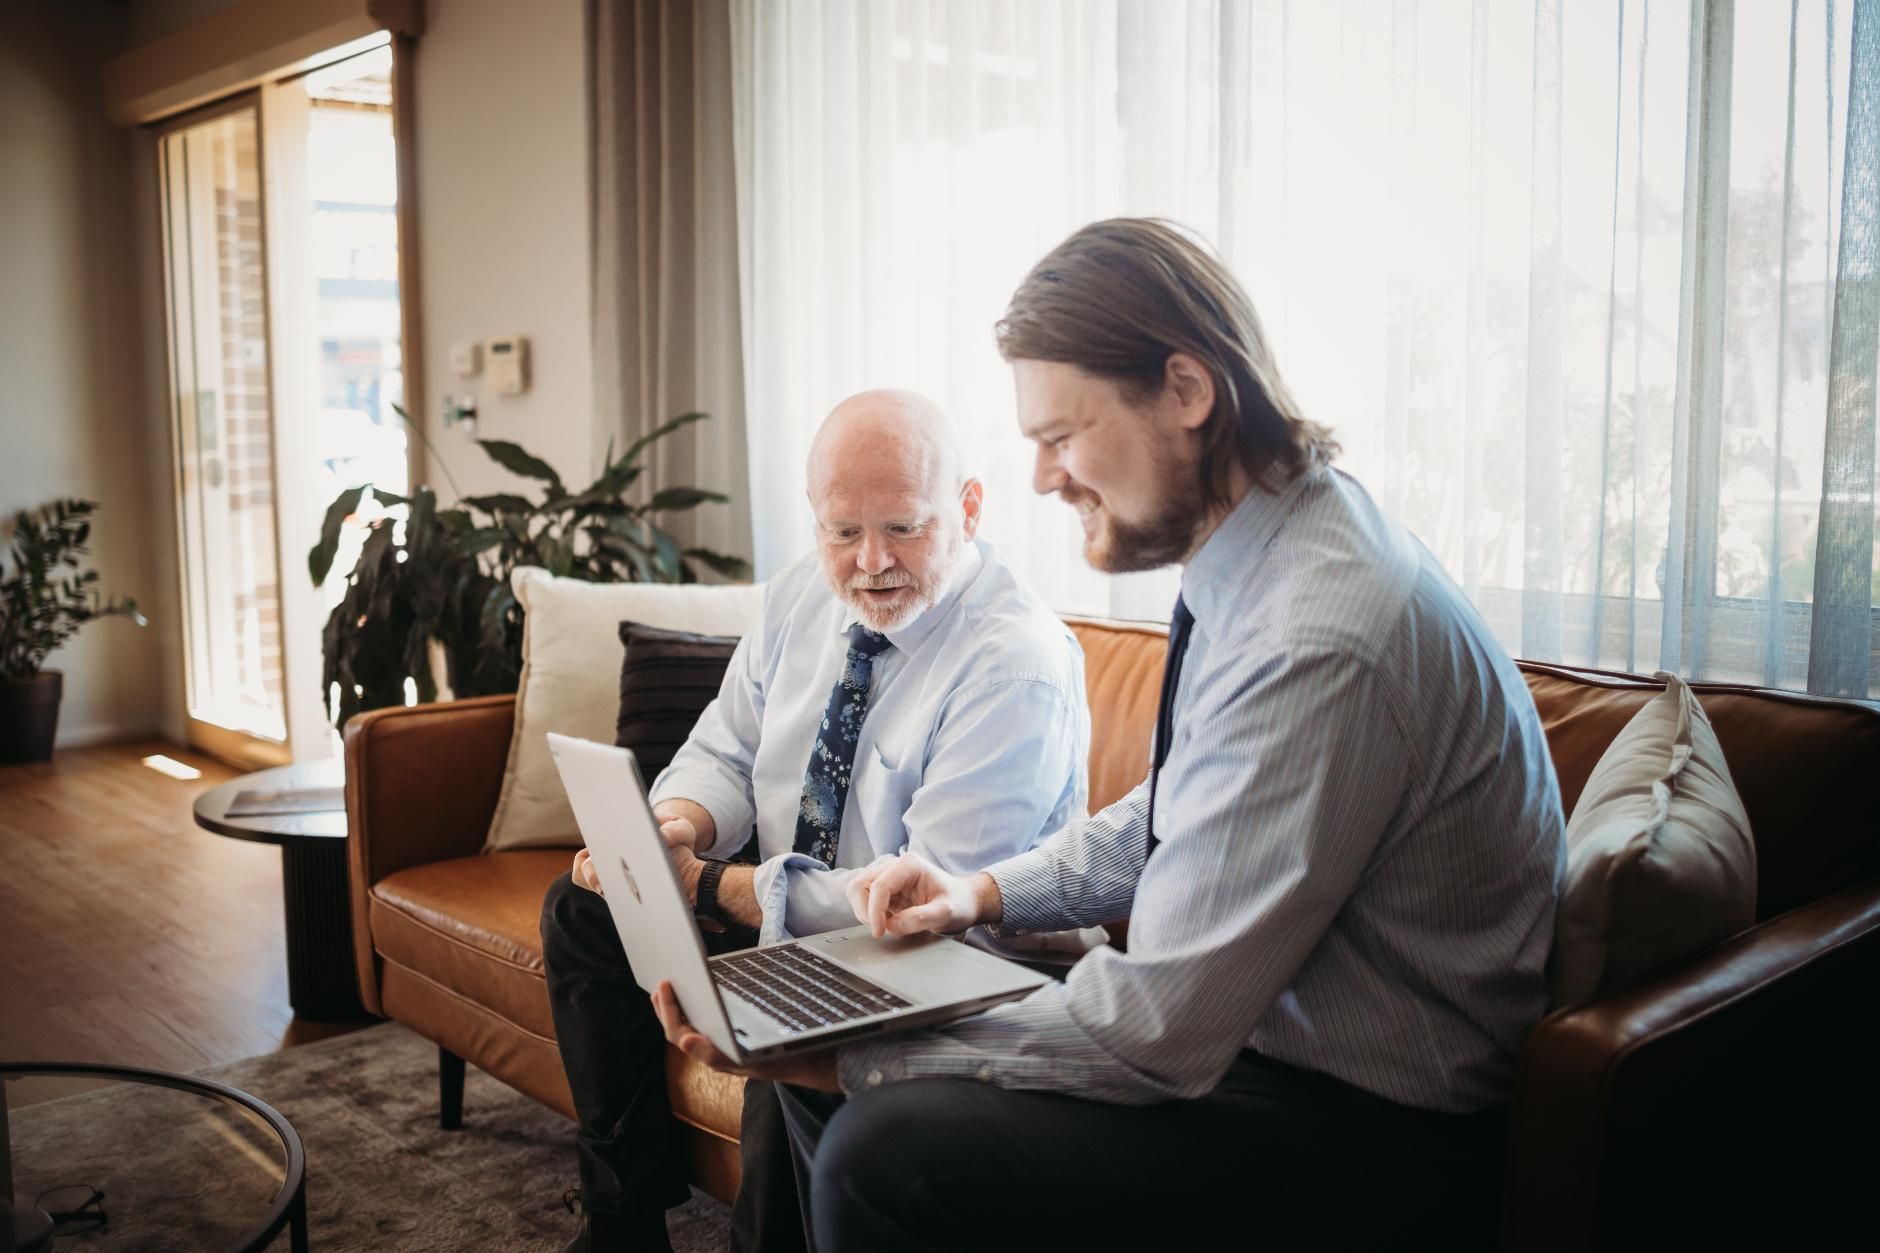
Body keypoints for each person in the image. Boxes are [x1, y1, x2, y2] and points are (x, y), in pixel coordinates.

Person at [652, 220, 1567, 1251]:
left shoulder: (1315, 634)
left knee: (884, 1136)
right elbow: (1180, 806)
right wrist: (979, 892)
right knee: (845, 1042)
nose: (1041, 477)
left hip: (1371, 1132)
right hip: (1262, 1053)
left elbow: (1158, 1029)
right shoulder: (1265, 553)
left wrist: (861, 1059)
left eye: (1059, 435)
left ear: (1184, 390)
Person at [541, 388, 1091, 1253]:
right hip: (802, 921)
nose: (871, 561)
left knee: (785, 1037)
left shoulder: (1014, 663)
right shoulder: (802, 593)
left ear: (969, 508)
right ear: (815, 520)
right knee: (582, 911)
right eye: (843, 533)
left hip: (945, 967)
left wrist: (710, 887)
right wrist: (675, 827)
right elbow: (724, 746)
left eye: (903, 528)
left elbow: (922, 902)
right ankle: (624, 1220)